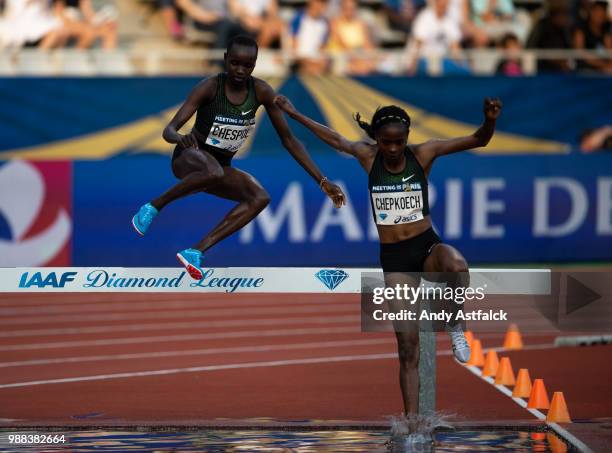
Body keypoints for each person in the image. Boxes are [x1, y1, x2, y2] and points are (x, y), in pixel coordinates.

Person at [274, 93, 502, 415]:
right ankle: (412, 423)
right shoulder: (368, 157)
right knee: (408, 349)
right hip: (395, 259)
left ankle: (453, 322)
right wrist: (295, 114)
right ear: (377, 139)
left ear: (407, 137)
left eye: (398, 142)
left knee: (456, 264)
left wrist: (490, 120)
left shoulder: (424, 153)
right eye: (386, 142)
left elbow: (479, 140)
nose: (393, 149)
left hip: (426, 245)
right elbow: (336, 139)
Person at [131, 35, 345, 280]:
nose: (241, 70)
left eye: (248, 65)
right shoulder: (210, 86)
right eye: (235, 63)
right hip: (188, 157)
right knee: (214, 171)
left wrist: (322, 180)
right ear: (225, 60)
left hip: (219, 167)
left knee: (259, 197)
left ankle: (195, 252)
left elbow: (289, 140)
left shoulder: (261, 91)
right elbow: (168, 130)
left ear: (255, 64)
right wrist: (180, 138)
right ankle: (153, 206)